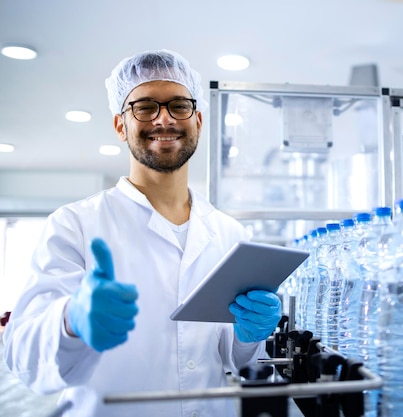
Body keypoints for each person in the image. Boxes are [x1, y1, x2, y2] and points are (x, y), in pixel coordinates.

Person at [2, 49, 282, 417]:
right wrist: (70, 320)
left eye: (178, 106)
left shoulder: (229, 232)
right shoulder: (74, 224)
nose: (164, 119)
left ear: (197, 120)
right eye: (145, 107)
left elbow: (234, 357)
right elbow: (22, 356)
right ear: (121, 125)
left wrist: (251, 336)